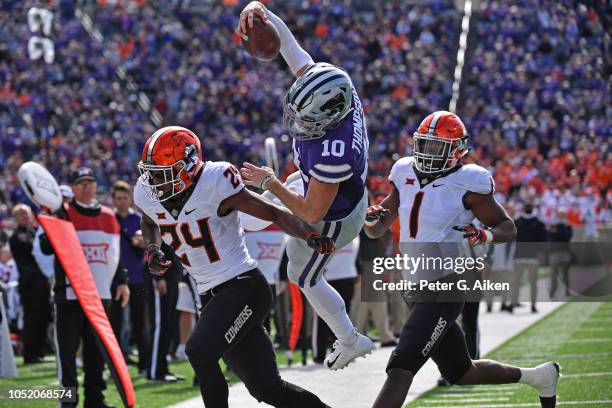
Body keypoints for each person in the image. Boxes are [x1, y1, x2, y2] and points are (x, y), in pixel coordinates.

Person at [362, 111, 560, 408]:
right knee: (461, 371)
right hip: (414, 282)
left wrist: (484, 236)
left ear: (457, 150)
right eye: (424, 145)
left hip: (448, 281)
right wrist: (370, 220)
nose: (427, 153)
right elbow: (377, 230)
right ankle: (539, 377)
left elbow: (508, 227)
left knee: (400, 368)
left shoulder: (469, 182)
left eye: (436, 147)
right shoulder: (403, 172)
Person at [133, 126, 333, 407]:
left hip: (243, 286)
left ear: (189, 165)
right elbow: (149, 219)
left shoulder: (215, 181)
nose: (154, 181)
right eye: (151, 172)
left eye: (162, 173)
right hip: (211, 295)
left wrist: (309, 235)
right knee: (269, 390)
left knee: (200, 352)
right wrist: (153, 247)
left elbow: (272, 211)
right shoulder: (146, 191)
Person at [238, 1, 374, 370]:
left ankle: (350, 338)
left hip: (334, 216)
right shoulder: (330, 87)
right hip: (328, 189)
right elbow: (290, 45)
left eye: (304, 116)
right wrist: (260, 11)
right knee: (249, 211)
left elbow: (310, 210)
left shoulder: (333, 150)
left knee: (303, 276)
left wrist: (271, 182)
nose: (295, 120)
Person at [41, 167, 130, 408]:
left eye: (90, 182)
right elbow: (46, 247)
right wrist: (51, 218)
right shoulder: (63, 213)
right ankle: (68, 401)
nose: (86, 186)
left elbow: (115, 252)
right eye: (80, 183)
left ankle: (95, 399)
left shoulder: (108, 215)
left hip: (100, 296)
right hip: (68, 295)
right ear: (72, 187)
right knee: (67, 355)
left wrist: (122, 281)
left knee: (96, 353)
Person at [109, 181, 150, 375]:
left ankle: (144, 364)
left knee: (140, 323)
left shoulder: (138, 219)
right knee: (114, 324)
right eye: (118, 198)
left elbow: (150, 245)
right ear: (113, 200)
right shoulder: (108, 219)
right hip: (115, 280)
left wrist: (142, 243)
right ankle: (117, 365)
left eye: (124, 198)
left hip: (137, 278)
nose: (121, 202)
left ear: (130, 199)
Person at [8, 204, 52, 364]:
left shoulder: (34, 232)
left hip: (41, 280)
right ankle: (30, 354)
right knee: (32, 318)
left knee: (43, 316)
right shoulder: (17, 236)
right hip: (29, 283)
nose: (25, 217)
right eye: (20, 214)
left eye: (26, 213)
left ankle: (39, 352)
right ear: (15, 218)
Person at [313, 237, 359, 363]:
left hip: (344, 277)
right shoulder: (330, 228)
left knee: (340, 316)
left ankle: (340, 351)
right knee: (326, 317)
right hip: (332, 278)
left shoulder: (351, 228)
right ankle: (323, 353)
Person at [512, 202, 547, 313]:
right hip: (519, 257)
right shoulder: (517, 222)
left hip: (532, 257)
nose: (528, 208)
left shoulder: (538, 223)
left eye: (529, 207)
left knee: (533, 284)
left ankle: (533, 304)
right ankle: (513, 303)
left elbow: (543, 241)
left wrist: (540, 254)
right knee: (516, 282)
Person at [548, 207, 572, 298]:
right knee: (553, 275)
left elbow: (567, 236)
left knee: (566, 275)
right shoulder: (554, 225)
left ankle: (567, 292)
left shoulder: (567, 226)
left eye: (563, 214)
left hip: (565, 253)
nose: (561, 216)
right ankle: (552, 293)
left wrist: (560, 229)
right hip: (554, 253)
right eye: (560, 214)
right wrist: (559, 229)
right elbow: (551, 237)